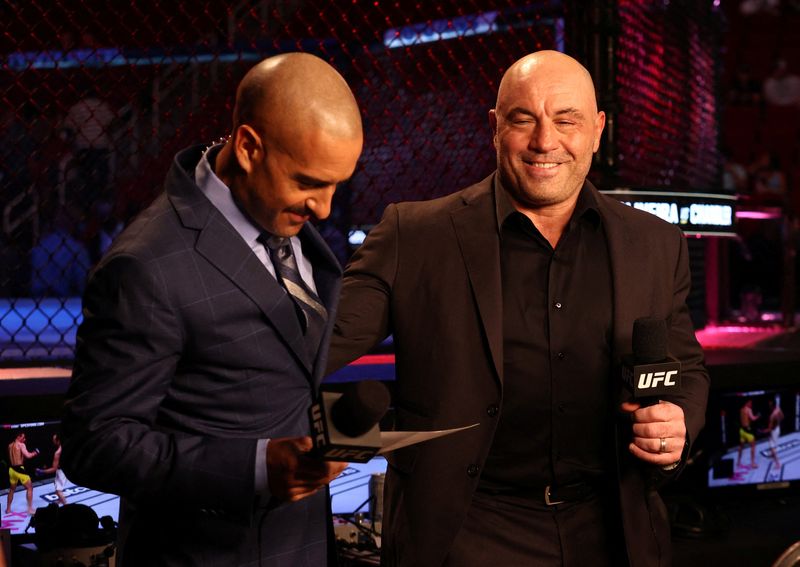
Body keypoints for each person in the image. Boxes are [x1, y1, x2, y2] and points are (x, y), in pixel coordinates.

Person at [326, 50, 709, 567]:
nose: (544, 141)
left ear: (597, 130)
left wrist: (677, 420)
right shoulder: (413, 236)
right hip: (466, 534)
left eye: (566, 120)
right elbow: (314, 346)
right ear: (494, 126)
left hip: (615, 529)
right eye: (523, 119)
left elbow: (685, 367)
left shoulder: (655, 244)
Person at [60, 52, 363, 566]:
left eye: (338, 184)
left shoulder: (283, 218)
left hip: (302, 548)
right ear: (248, 147)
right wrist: (255, 468)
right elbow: (96, 442)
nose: (326, 208)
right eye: (310, 183)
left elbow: (277, 371)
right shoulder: (146, 265)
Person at [6, 432, 40, 515]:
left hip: (11, 470)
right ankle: (30, 509)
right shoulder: (21, 445)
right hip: (19, 470)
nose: (24, 439)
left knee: (12, 489)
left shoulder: (10, 445)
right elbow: (28, 456)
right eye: (23, 437)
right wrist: (35, 453)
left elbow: (16, 457)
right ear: (18, 436)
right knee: (30, 488)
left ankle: (8, 509)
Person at [36, 434, 68, 505]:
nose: (52, 440)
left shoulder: (57, 453)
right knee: (56, 484)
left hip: (61, 471)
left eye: (54, 439)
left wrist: (42, 471)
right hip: (65, 469)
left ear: (58, 440)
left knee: (58, 490)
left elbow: (54, 469)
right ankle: (60, 500)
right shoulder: (66, 446)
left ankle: (66, 505)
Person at [738, 398, 761, 469]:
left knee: (741, 447)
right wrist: (758, 416)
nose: (751, 404)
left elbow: (743, 419)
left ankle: (738, 462)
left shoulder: (741, 409)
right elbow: (753, 418)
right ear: (747, 403)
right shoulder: (749, 410)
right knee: (753, 446)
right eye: (750, 403)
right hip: (748, 431)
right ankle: (753, 463)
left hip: (742, 430)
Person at [762, 398, 784, 469]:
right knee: (773, 444)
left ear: (772, 406)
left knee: (772, 447)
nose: (769, 406)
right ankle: (772, 455)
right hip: (778, 429)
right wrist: (777, 422)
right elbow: (782, 417)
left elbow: (770, 428)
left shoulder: (772, 416)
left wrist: (763, 431)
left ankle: (778, 464)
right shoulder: (778, 409)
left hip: (774, 431)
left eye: (770, 405)